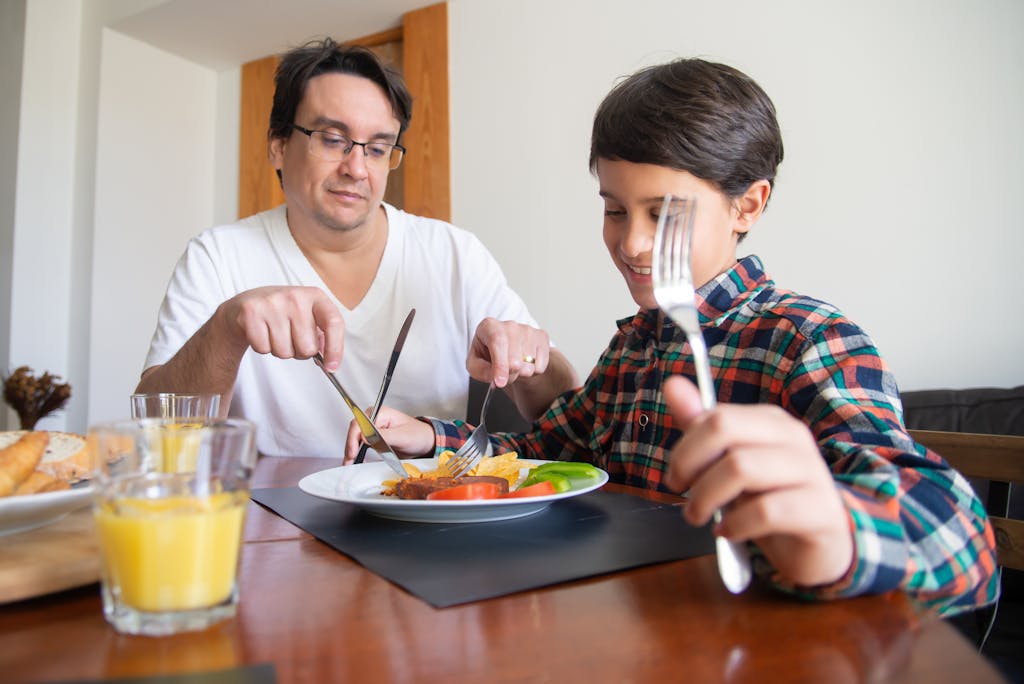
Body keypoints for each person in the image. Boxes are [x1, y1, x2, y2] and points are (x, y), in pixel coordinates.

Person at [344, 58, 998, 615]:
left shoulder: (808, 338)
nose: (631, 242)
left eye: (666, 213)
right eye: (614, 208)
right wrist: (430, 437)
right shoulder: (634, 347)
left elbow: (964, 546)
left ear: (748, 206)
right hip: (631, 624)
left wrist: (840, 533)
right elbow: (545, 447)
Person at [137, 38, 578, 458]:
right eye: (332, 139)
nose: (357, 168)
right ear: (278, 146)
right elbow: (157, 434)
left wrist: (527, 357)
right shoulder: (217, 257)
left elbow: (564, 411)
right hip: (273, 519)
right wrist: (226, 329)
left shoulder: (453, 253)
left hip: (420, 514)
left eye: (378, 148)